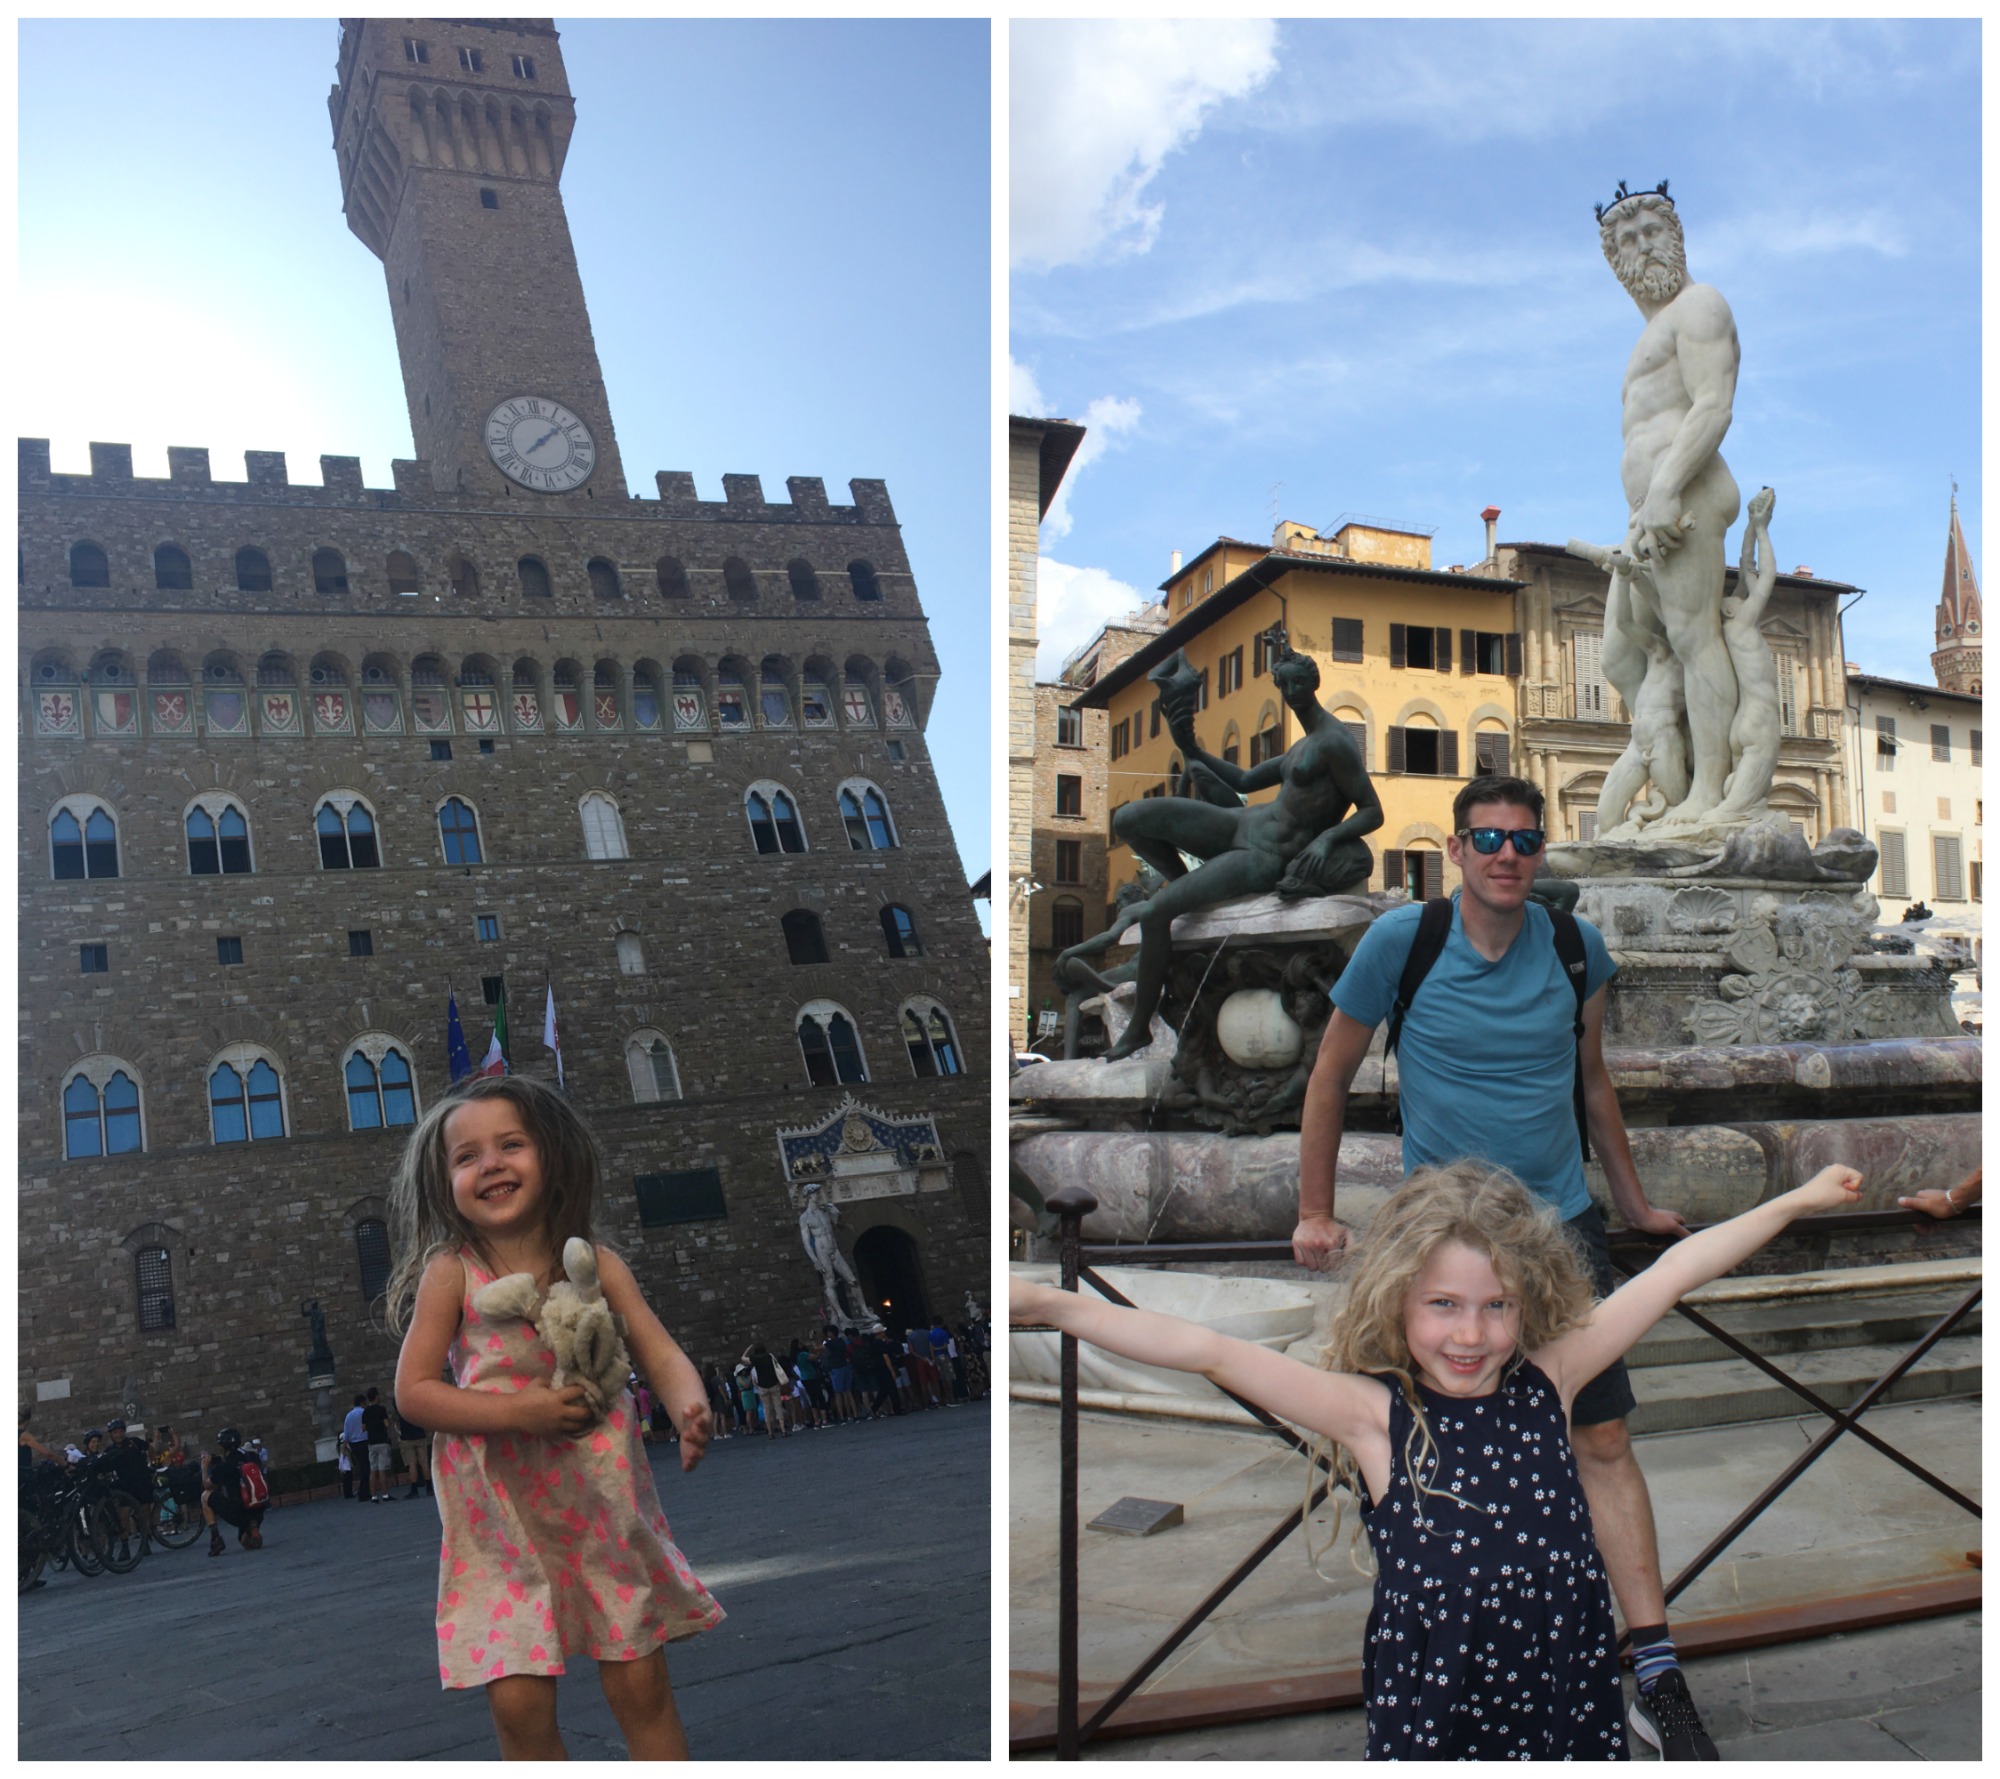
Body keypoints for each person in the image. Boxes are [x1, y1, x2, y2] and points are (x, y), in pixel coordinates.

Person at [1021, 1158, 1862, 1758]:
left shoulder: (1551, 1378)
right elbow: (1206, 1348)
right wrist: (1058, 1303)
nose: (1471, 1333)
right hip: (1444, 1707)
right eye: (1444, 1304)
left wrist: (1799, 1197)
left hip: (1565, 1683)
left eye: (1496, 1305)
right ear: (1398, 1301)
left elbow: (1676, 1269)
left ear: (1528, 1299)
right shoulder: (1374, 1414)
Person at [1295, 773, 1715, 1757]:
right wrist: (1312, 1210)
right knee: (1419, 1463)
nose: (1505, 856)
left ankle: (1649, 1665)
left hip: (1559, 1237)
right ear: (1453, 850)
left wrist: (1635, 1203)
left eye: (1523, 841)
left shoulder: (1574, 949)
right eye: (1486, 839)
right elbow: (1326, 1075)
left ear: (1539, 851)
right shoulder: (1402, 942)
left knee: (1599, 1445)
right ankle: (1460, 1658)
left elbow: (1592, 1081)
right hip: (1436, 1253)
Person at [388, 1076, 723, 1760]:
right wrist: (519, 1411)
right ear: (443, 1180)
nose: (491, 1164)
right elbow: (414, 1391)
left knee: (640, 1681)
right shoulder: (451, 1272)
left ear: (552, 1156)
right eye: (467, 1155)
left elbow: (658, 1351)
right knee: (518, 1701)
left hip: (599, 1503)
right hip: (498, 1517)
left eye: (511, 1144)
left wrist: (689, 1403)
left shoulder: (597, 1264)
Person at [1058, 640, 1382, 1058]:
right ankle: (1188, 885)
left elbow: (1372, 811)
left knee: (1157, 914)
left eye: (1299, 682)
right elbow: (1245, 781)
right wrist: (1191, 748)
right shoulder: (1302, 745)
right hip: (1241, 823)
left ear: (1313, 683)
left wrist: (1326, 839)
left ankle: (1138, 1028)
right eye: (1284, 684)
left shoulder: (1335, 742)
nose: (1291, 692)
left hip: (1264, 856)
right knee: (1129, 819)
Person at [1596, 182, 1742, 830]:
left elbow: (1713, 404)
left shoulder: (1700, 305)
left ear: (1676, 239)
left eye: (1653, 232)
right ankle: (1672, 778)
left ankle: (1708, 792)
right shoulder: (1649, 332)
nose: (1642, 247)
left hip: (1681, 496)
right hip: (1647, 508)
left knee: (1692, 637)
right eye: (1628, 240)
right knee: (1620, 654)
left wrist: (1665, 488)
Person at [200, 1426, 269, 1557]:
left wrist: (204, 1467)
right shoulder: (250, 1457)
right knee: (246, 1543)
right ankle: (252, 1525)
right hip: (258, 1507)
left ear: (224, 1446)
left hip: (239, 1511)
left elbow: (207, 1485)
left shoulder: (225, 1466)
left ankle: (216, 1538)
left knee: (205, 1496)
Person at [362, 1387, 396, 1502]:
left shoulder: (365, 1411)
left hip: (371, 1442)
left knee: (373, 1470)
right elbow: (386, 1424)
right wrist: (389, 1420)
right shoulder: (381, 1409)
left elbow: (363, 1428)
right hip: (382, 1441)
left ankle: (373, 1496)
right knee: (382, 1470)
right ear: (376, 1396)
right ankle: (385, 1494)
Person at [396, 1403, 433, 1500]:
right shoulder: (416, 1402)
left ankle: (414, 1489)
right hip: (419, 1435)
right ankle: (429, 1487)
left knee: (412, 1464)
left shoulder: (399, 1401)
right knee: (424, 1462)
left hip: (406, 1437)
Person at [341, 1393, 371, 1504]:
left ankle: (364, 1491)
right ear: (362, 1402)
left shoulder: (349, 1415)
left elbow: (346, 1432)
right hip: (364, 1441)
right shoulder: (364, 1412)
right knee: (366, 1467)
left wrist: (344, 1447)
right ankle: (363, 1492)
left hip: (354, 1444)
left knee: (362, 1466)